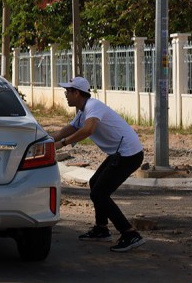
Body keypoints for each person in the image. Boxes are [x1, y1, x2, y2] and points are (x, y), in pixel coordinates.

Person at [52, 76, 146, 252]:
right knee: (95, 184)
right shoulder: (83, 111)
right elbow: (70, 129)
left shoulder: (93, 107)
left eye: (68, 91)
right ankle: (101, 229)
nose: (65, 94)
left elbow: (88, 130)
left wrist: (62, 144)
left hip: (129, 154)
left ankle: (129, 233)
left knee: (100, 193)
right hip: (119, 153)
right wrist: (47, 140)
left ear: (77, 93)